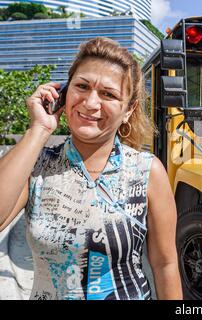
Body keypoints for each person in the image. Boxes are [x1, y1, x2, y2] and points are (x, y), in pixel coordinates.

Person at [0, 37, 182, 300]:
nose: (90, 103)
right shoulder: (36, 165)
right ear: (64, 92)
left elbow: (165, 265)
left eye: (108, 94)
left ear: (128, 110)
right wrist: (38, 130)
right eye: (82, 87)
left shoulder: (146, 170)